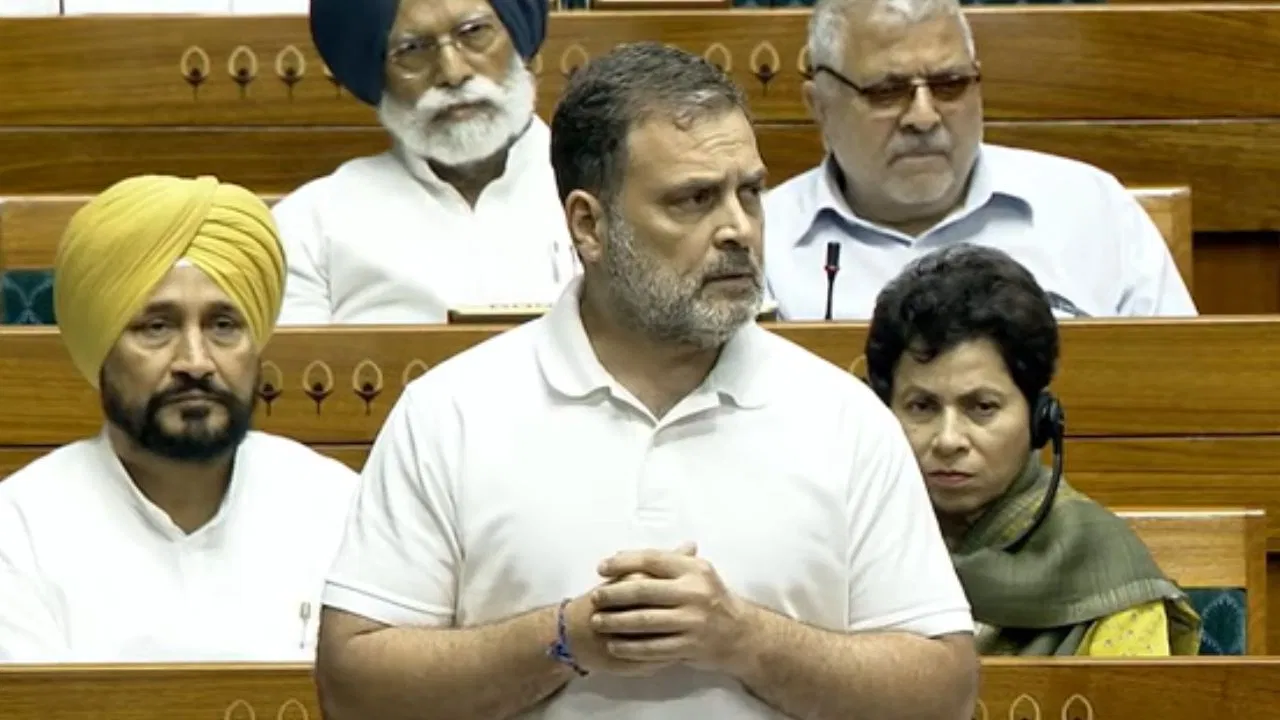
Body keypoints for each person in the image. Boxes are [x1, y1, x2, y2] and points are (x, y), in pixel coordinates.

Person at [313, 43, 978, 720]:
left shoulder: (843, 418)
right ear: (589, 225)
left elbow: (944, 694)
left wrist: (744, 640)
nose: (738, 229)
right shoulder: (451, 412)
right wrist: (564, 639)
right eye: (694, 199)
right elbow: (352, 688)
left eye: (749, 193)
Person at [0, 175, 358, 663]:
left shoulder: (337, 506)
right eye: (157, 327)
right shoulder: (19, 528)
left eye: (223, 326)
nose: (196, 361)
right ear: (101, 351)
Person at [864, 243, 1203, 656]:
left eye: (982, 407)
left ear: (1039, 417)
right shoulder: (846, 541)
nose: (949, 439)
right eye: (922, 406)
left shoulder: (1108, 571)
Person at [763, 0, 1197, 321]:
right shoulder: (760, 241)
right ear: (820, 106)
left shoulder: (1092, 209)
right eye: (886, 91)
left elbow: (1183, 380)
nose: (923, 117)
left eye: (949, 84)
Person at [273, 0, 576, 324]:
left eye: (474, 32)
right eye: (412, 49)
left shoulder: (603, 188)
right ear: (379, 75)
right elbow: (297, 355)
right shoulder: (311, 224)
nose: (453, 73)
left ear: (516, 39)